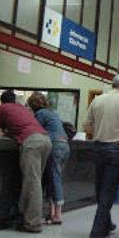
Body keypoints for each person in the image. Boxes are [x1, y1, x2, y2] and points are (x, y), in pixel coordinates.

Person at [83, 73, 119, 238]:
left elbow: (86, 125)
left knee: (100, 189)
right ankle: (97, 234)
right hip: (116, 150)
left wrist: (100, 131)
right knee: (108, 191)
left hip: (98, 148)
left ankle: (106, 224)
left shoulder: (97, 100)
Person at [0, 90, 52, 233]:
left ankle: (33, 223)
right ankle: (29, 218)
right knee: (36, 182)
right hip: (45, 140)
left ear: (1, 101)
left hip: (31, 142)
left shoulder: (2, 109)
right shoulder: (22, 109)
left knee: (32, 183)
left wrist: (4, 132)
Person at [27, 92, 69, 225]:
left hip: (54, 146)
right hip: (65, 146)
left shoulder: (40, 114)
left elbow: (33, 131)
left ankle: (57, 214)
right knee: (53, 177)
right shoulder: (53, 113)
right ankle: (51, 213)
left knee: (53, 178)